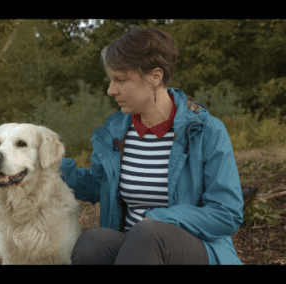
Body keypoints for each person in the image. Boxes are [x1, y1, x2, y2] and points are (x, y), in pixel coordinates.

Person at [60, 26, 244, 265]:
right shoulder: (115, 133)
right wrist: (47, 164)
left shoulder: (206, 131)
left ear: (155, 77)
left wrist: (159, 218)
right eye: (110, 79)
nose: (111, 90)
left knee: (148, 234)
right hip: (134, 248)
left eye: (120, 79)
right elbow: (97, 185)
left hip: (195, 247)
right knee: (92, 243)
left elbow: (226, 213)